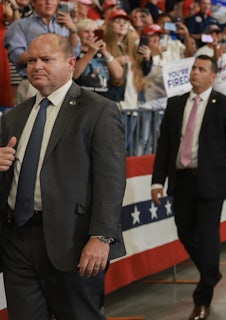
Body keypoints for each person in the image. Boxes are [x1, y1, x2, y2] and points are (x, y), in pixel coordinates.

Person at [0, 33, 126, 319]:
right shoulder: (12, 118)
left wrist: (102, 237)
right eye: (31, 60)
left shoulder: (99, 110)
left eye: (46, 59)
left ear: (71, 63)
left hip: (74, 242)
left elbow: (111, 181)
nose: (36, 66)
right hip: (16, 239)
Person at [151, 55, 226, 320]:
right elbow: (164, 146)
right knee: (184, 232)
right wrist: (157, 180)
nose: (195, 72)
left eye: (201, 69)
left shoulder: (225, 104)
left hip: (212, 181)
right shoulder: (175, 104)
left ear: (213, 76)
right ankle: (211, 271)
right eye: (193, 68)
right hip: (182, 180)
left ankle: (202, 298)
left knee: (208, 238)